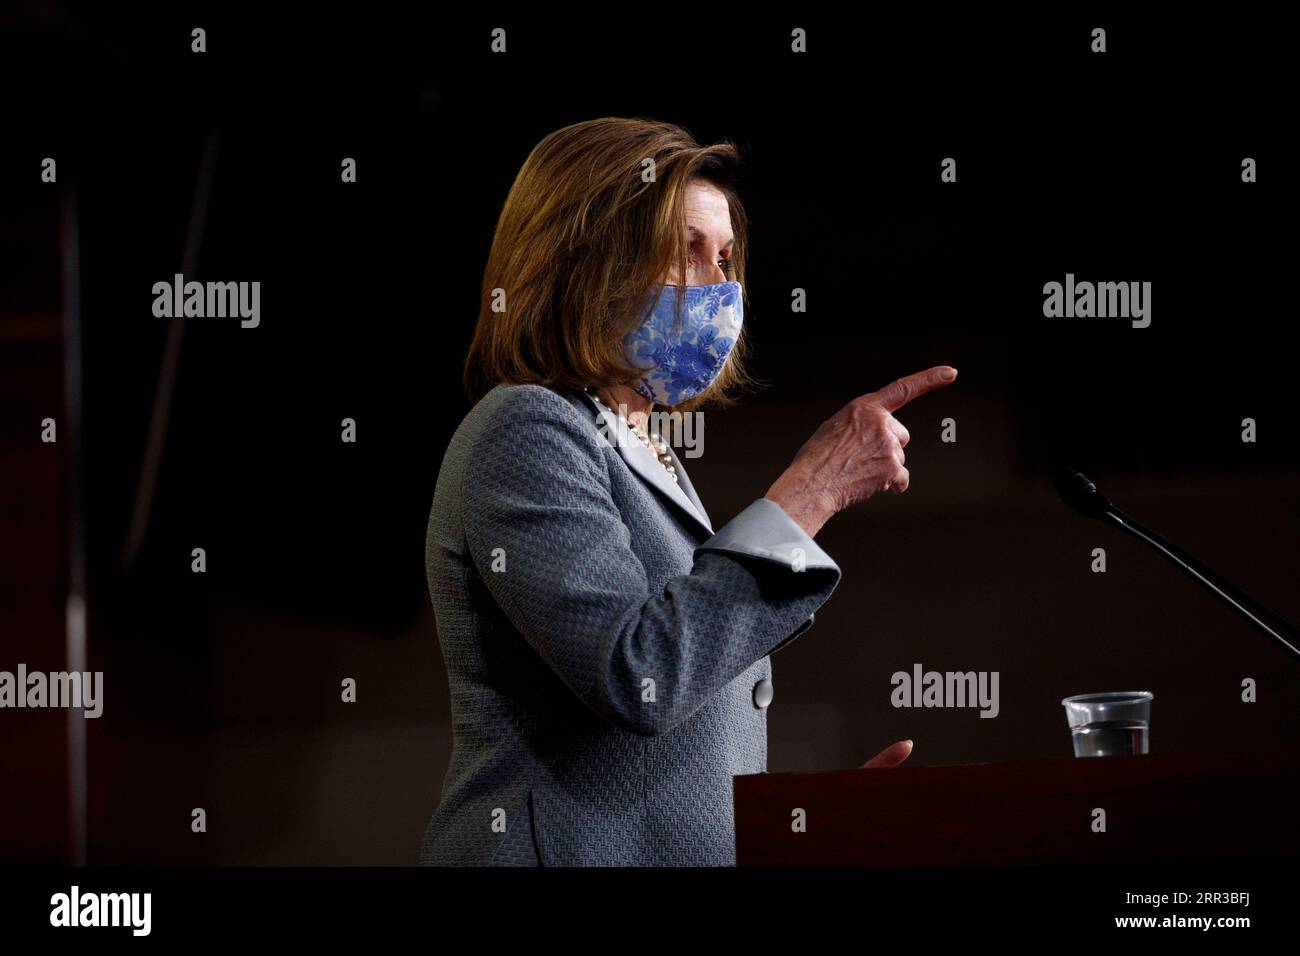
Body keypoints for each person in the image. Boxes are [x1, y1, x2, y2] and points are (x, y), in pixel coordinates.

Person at [419, 117, 957, 866]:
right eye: (685, 252)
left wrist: (801, 830)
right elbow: (637, 674)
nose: (719, 289)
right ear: (583, 261)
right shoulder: (526, 428)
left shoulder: (651, 453)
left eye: (727, 258)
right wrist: (812, 490)